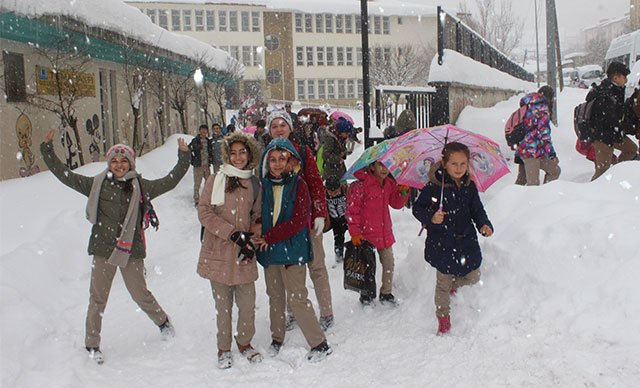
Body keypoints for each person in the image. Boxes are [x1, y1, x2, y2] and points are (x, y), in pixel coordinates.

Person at [40, 129, 190, 364]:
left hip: (131, 250)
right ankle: (92, 343)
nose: (119, 165)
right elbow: (65, 175)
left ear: (130, 163)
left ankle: (163, 322)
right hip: (103, 249)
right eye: (115, 161)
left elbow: (170, 181)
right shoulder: (96, 184)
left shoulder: (141, 186)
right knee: (97, 298)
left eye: (124, 160)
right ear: (109, 163)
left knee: (140, 294)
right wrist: (47, 150)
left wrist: (184, 156)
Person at [253, 138, 333, 362]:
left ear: (291, 161)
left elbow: (298, 221)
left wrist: (270, 236)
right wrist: (258, 228)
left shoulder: (300, 185)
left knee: (298, 298)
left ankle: (319, 343)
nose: (277, 164)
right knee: (275, 297)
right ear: (267, 162)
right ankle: (277, 337)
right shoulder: (264, 185)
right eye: (273, 160)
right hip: (270, 252)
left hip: (292, 250)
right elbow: (259, 213)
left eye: (282, 159)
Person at [411, 142, 493, 335]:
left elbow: (477, 210)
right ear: (444, 164)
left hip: (466, 242)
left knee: (473, 275)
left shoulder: (469, 186)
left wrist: (484, 224)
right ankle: (443, 318)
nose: (459, 168)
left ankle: (454, 286)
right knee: (442, 284)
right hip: (443, 243)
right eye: (454, 164)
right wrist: (431, 218)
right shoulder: (434, 187)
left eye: (463, 164)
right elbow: (417, 208)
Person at [197, 133, 263, 369]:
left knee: (247, 304)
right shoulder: (216, 179)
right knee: (223, 307)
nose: (237, 157)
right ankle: (223, 348)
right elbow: (204, 212)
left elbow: (257, 217)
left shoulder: (254, 183)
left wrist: (251, 240)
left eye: (242, 152)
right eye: (233, 153)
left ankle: (244, 342)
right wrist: (231, 232)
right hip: (218, 252)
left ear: (249, 155)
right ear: (227, 155)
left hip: (243, 253)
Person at [265, 111, 334, 331]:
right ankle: (293, 311)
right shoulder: (267, 155)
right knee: (288, 269)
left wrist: (320, 213)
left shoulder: (303, 152)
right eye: (274, 125)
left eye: (282, 124)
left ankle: (326, 312)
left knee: (317, 267)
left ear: (290, 128)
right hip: (283, 224)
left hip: (308, 221)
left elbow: (315, 183)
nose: (278, 128)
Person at [346, 160, 409, 306]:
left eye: (388, 166)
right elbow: (352, 211)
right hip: (365, 234)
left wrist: (403, 191)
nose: (384, 169)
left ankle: (386, 292)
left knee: (389, 263)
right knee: (367, 266)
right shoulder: (361, 185)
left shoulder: (388, 184)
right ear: (372, 166)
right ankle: (366, 293)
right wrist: (355, 232)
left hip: (384, 232)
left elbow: (396, 204)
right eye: (381, 165)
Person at [588, 61, 638, 180]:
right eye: (624, 77)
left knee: (631, 149)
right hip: (602, 136)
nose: (626, 80)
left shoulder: (617, 90)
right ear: (615, 77)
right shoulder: (605, 93)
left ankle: (617, 172)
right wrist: (626, 127)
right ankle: (591, 193)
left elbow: (622, 113)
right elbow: (610, 118)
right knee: (602, 171)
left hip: (613, 133)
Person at [514, 85, 561, 186]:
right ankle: (542, 197)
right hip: (531, 151)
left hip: (522, 148)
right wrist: (552, 155)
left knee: (521, 182)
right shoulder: (542, 110)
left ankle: (512, 200)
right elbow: (545, 136)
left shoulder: (527, 104)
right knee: (533, 185)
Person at [319, 117, 353, 182]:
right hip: (331, 172)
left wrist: (344, 152)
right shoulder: (331, 139)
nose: (348, 135)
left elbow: (341, 149)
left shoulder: (340, 138)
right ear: (341, 131)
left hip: (340, 170)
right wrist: (338, 159)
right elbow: (325, 155)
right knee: (334, 190)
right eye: (346, 133)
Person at [325, 176, 348, 264]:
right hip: (335, 221)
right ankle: (339, 257)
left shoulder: (345, 190)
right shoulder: (325, 194)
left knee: (356, 234)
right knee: (338, 239)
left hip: (348, 218)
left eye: (336, 192)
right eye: (331, 192)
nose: (333, 194)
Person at [189, 124, 214, 206]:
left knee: (208, 183)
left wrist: (211, 159)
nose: (204, 132)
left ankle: (207, 199)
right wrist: (198, 147)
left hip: (206, 166)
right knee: (197, 184)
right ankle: (197, 200)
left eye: (205, 130)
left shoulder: (208, 141)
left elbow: (211, 152)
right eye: (202, 130)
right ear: (200, 131)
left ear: (207, 131)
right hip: (198, 166)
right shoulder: (195, 140)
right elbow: (190, 149)